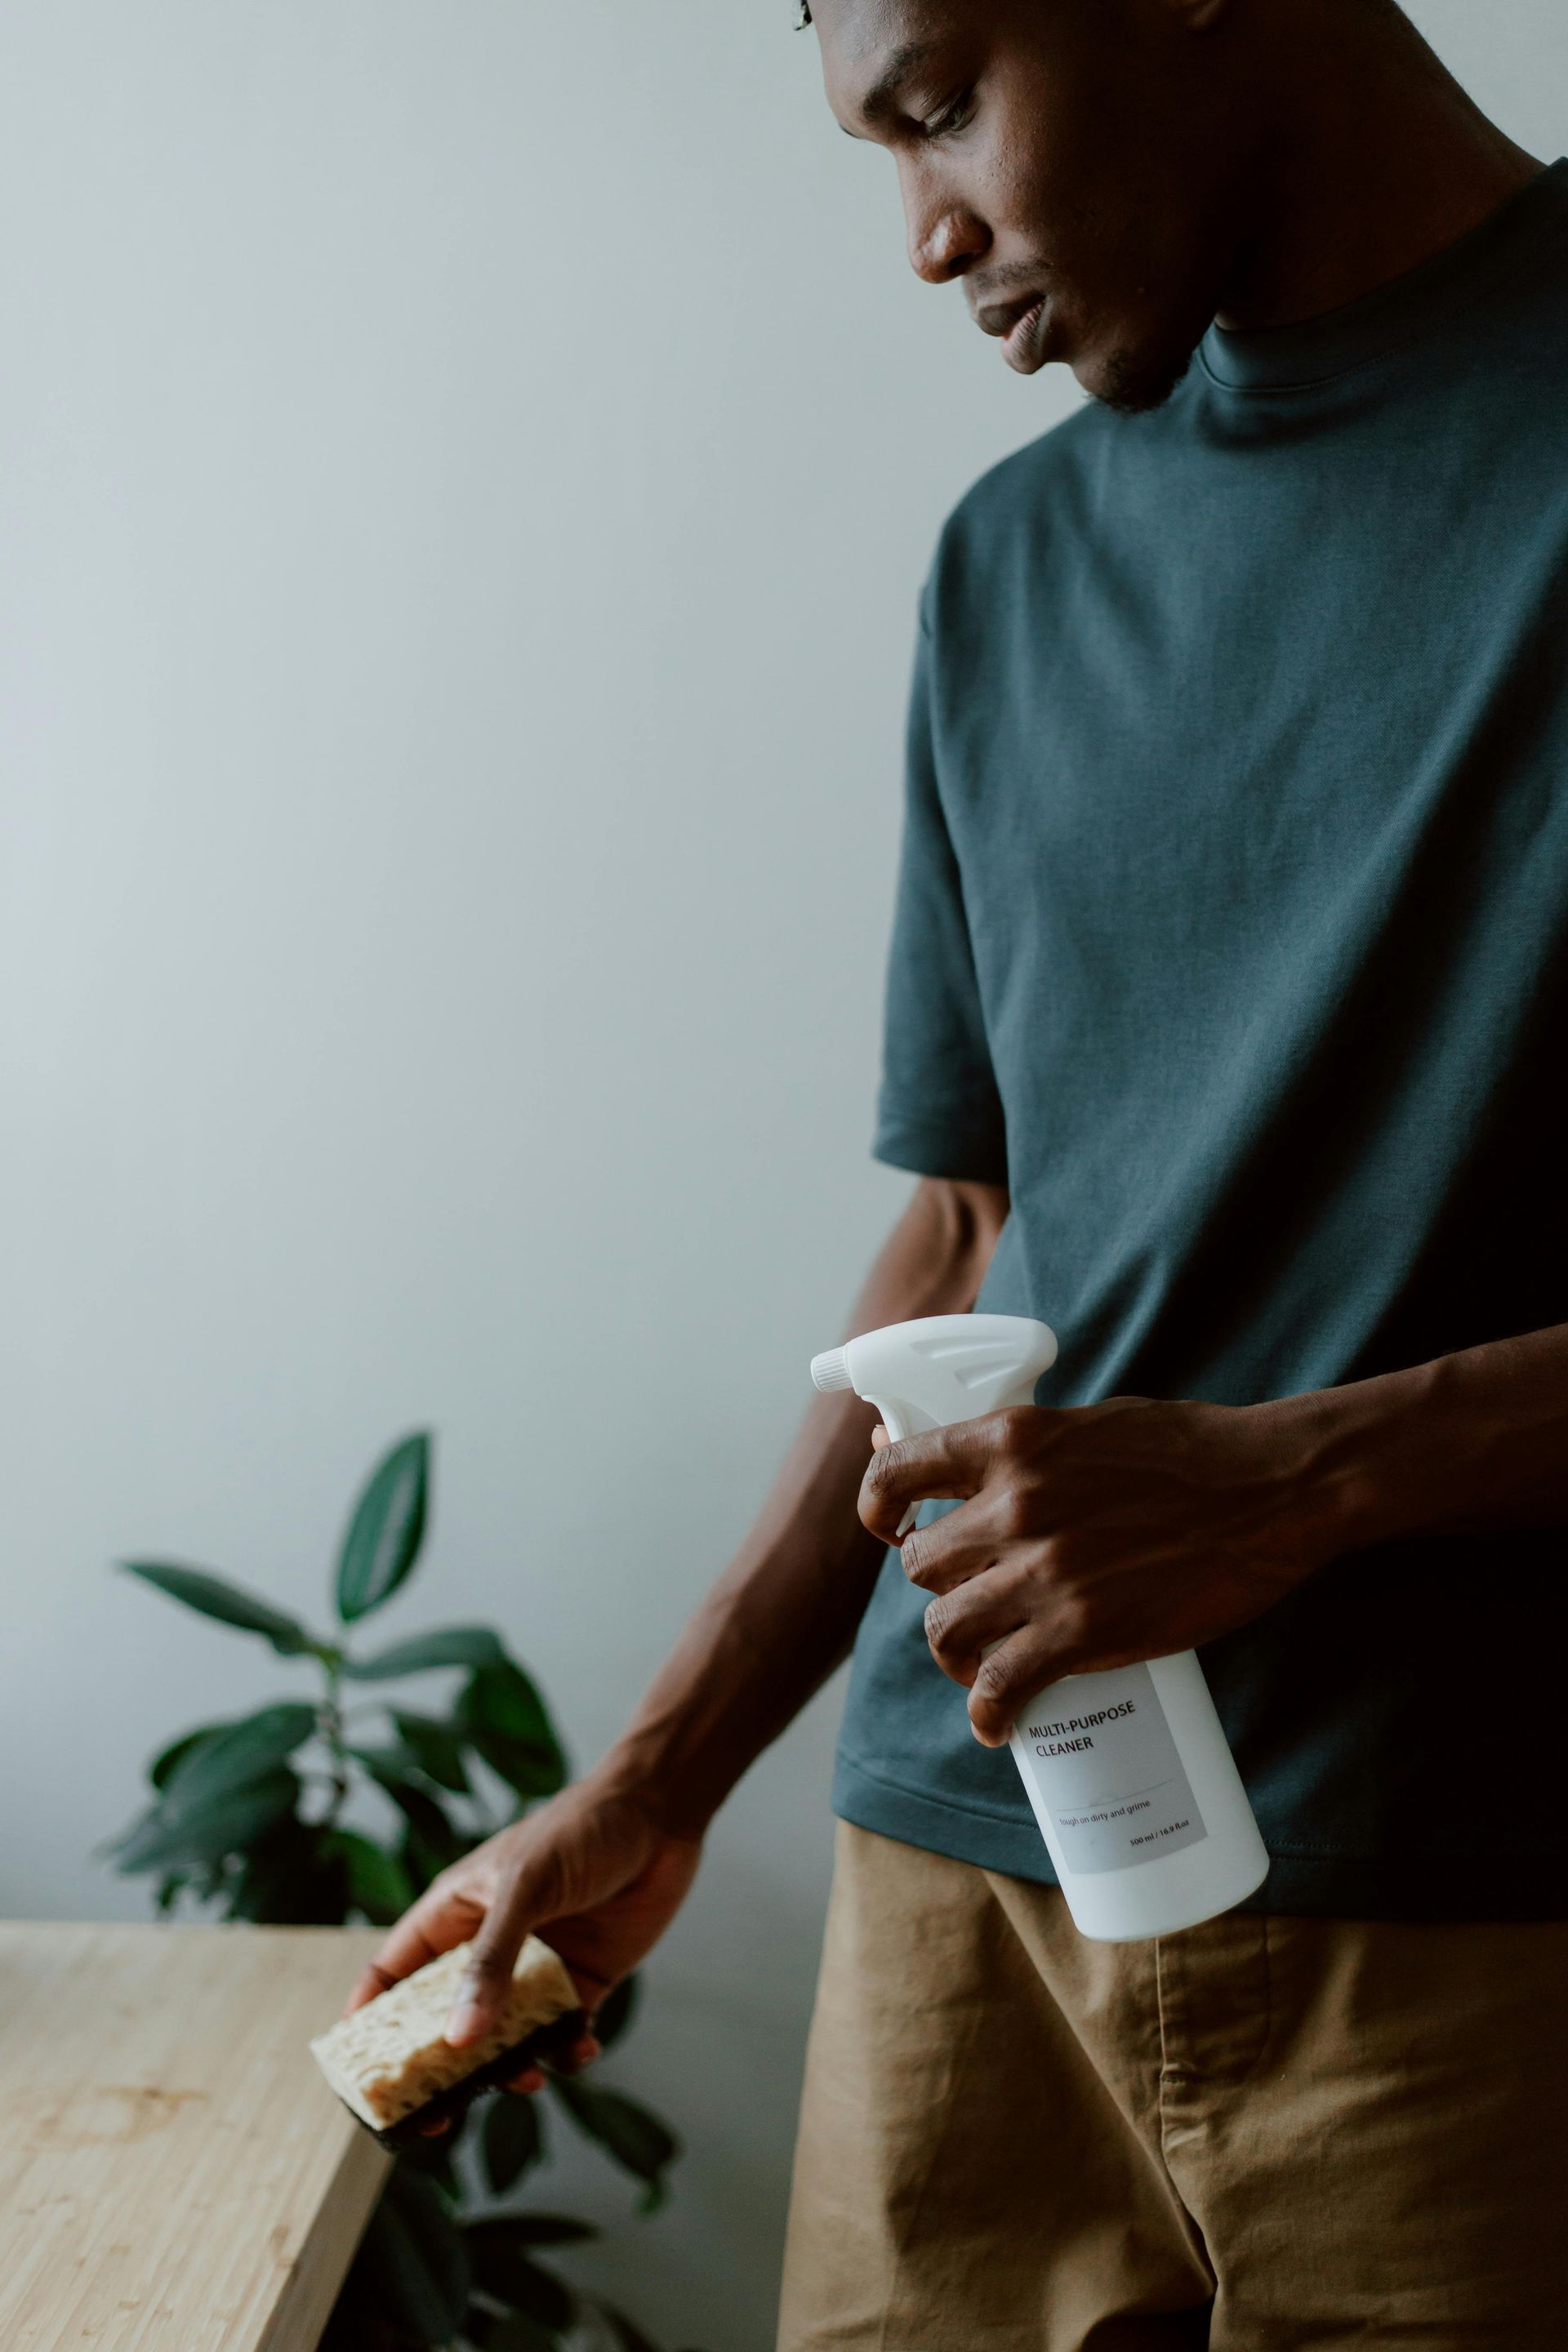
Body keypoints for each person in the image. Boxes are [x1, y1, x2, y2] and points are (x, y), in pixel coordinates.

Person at [348, 2, 1568, 2341]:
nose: (923, 234)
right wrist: (656, 1780)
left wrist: (1310, 1478)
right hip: (960, 1898)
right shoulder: (1008, 563)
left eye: (941, 103)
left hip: (1472, 1924)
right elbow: (967, 1236)